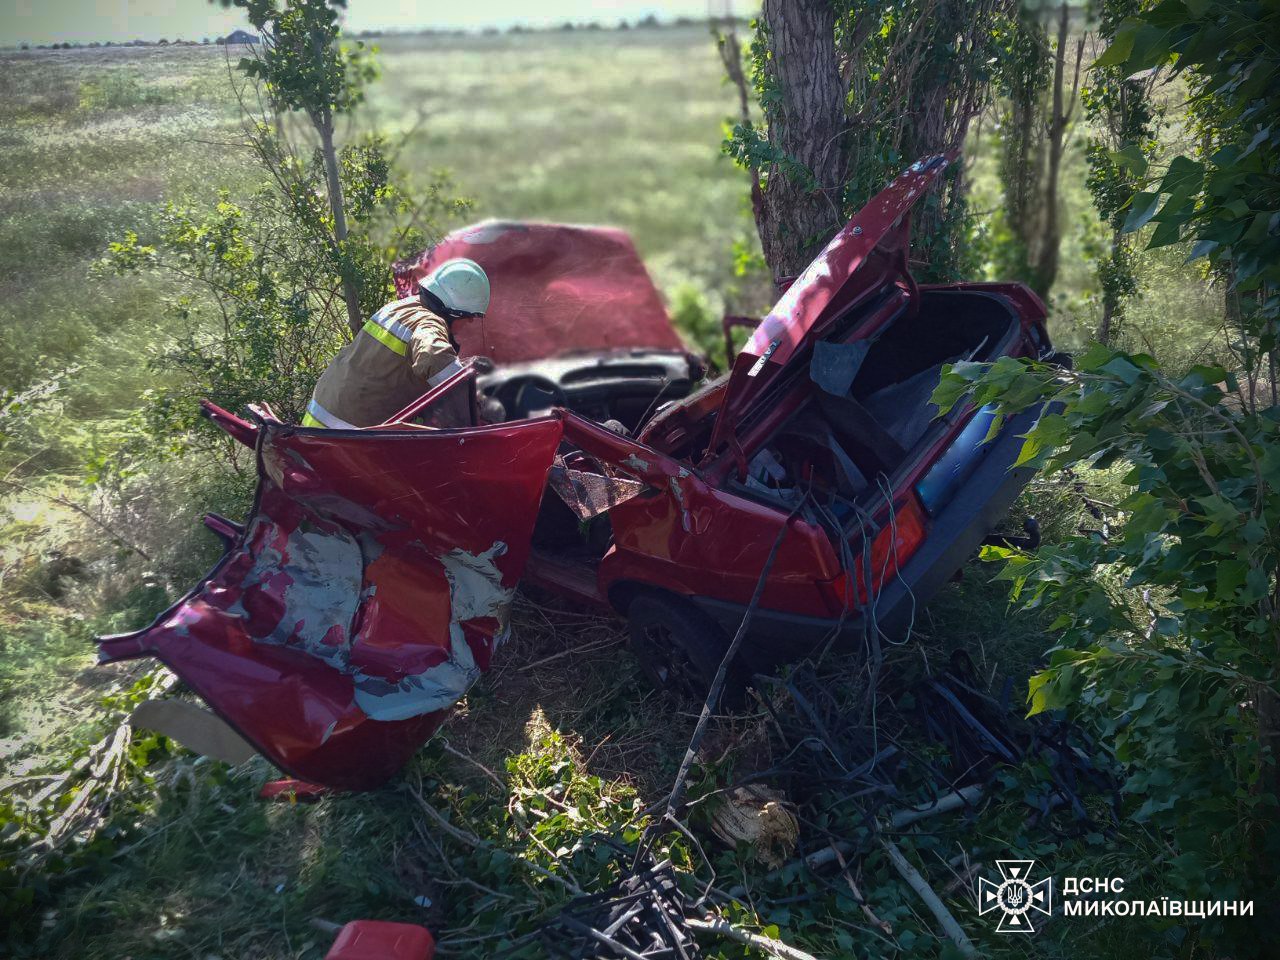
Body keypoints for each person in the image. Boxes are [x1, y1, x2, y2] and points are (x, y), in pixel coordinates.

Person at [302, 258, 490, 429]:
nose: (471, 322)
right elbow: (433, 356)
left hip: (316, 423)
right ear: (452, 312)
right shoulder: (428, 322)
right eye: (470, 316)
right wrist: (470, 401)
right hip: (348, 436)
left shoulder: (399, 308)